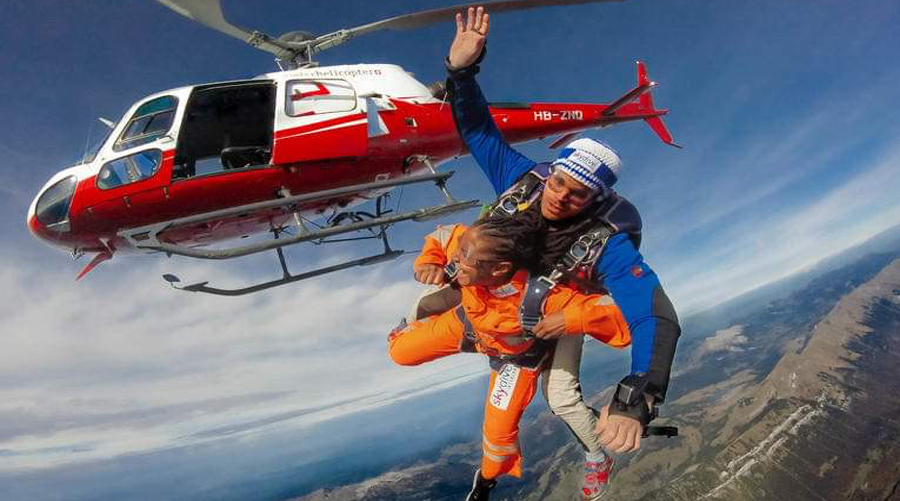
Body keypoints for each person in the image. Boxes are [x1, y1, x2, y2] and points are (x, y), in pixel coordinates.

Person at [423, 6, 682, 499]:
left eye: (578, 193)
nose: (561, 196)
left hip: (560, 306)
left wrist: (638, 396)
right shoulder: (522, 181)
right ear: (551, 172)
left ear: (595, 200)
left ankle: (594, 456)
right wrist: (461, 72)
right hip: (507, 300)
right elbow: (478, 131)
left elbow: (656, 316)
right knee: (430, 305)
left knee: (561, 396)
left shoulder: (604, 242)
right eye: (560, 182)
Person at [389, 211, 631, 501]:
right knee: (400, 352)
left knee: (498, 435)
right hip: (469, 324)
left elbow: (616, 315)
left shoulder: (547, 294)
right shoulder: (477, 243)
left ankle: (490, 479)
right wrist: (428, 260)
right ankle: (418, 326)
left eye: (465, 257)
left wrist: (570, 319)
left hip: (515, 359)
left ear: (498, 268)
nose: (457, 258)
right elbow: (444, 234)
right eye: (461, 251)